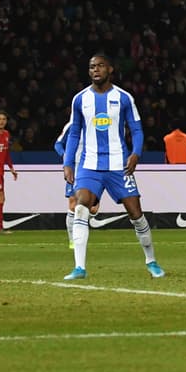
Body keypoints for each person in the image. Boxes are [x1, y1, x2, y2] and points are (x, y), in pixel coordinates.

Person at [62, 53, 164, 280]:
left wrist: (136, 153)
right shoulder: (80, 99)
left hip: (119, 165)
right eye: (91, 67)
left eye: (100, 66)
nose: (95, 70)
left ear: (110, 69)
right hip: (89, 166)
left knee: (136, 214)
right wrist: (68, 163)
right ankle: (79, 267)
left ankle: (151, 261)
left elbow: (136, 129)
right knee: (81, 206)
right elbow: (74, 133)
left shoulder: (124, 98)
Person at [55, 119, 100, 250]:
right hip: (75, 169)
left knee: (92, 208)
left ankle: (82, 229)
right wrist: (66, 157)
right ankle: (73, 241)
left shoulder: (95, 123)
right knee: (73, 203)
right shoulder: (71, 125)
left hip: (92, 168)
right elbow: (58, 144)